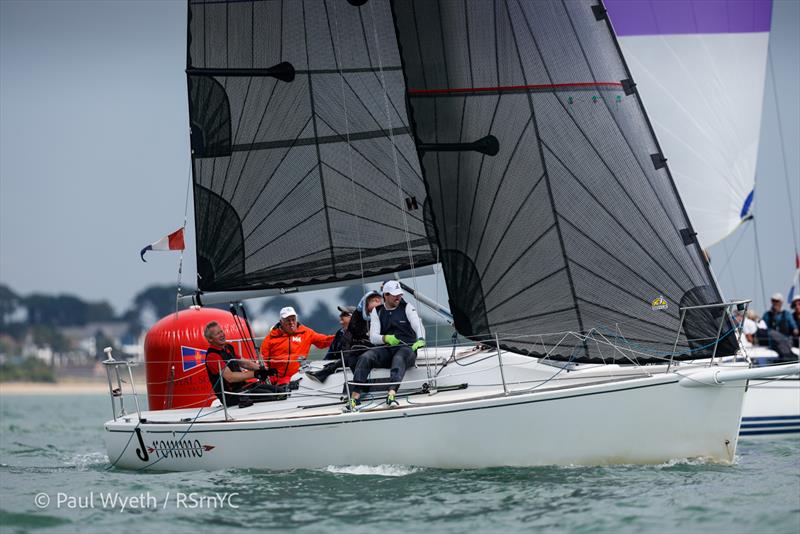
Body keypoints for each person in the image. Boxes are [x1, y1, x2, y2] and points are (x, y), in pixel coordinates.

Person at [344, 281, 425, 411]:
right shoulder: (378, 311)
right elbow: (373, 337)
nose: (398, 297)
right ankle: (355, 397)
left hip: (407, 349)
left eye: (399, 294)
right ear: (386, 295)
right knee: (366, 357)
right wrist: (385, 338)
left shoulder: (407, 307)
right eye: (394, 295)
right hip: (387, 348)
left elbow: (417, 324)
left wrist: (421, 339)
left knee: (399, 358)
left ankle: (391, 395)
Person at [203, 321, 285, 408]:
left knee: (279, 391)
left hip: (243, 388)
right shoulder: (212, 356)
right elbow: (230, 377)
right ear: (210, 339)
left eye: (221, 331)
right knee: (273, 395)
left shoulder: (228, 347)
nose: (222, 335)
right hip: (231, 395)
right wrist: (256, 374)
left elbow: (244, 363)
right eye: (217, 334)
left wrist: (263, 369)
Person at [307, 291, 382, 384]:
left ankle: (325, 374)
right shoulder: (340, 333)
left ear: (352, 317)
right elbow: (331, 352)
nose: (340, 317)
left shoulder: (363, 329)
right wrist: (323, 364)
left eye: (344, 315)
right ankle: (323, 372)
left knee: (350, 356)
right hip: (341, 364)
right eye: (341, 315)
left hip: (354, 361)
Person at [260, 306, 335, 385]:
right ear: (281, 322)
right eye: (288, 320)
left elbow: (324, 341)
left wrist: (341, 335)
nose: (291, 322)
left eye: (293, 319)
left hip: (297, 377)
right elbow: (263, 360)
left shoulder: (306, 333)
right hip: (275, 379)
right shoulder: (270, 338)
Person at [759, 293, 798, 361]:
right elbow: (761, 327)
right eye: (773, 301)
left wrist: (796, 331)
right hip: (771, 342)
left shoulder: (786, 314)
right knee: (771, 333)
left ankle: (788, 357)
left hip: (786, 341)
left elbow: (794, 329)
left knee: (773, 334)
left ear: (781, 303)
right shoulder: (767, 315)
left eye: (777, 301)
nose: (775, 303)